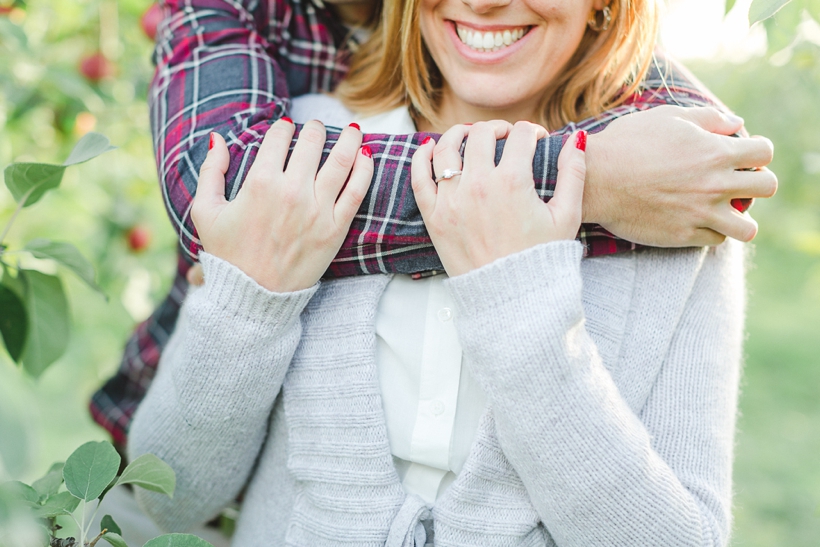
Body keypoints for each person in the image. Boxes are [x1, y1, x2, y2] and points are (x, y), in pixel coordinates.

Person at [127, 0, 774, 543]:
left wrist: (520, 303)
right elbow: (167, 495)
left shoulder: (674, 199)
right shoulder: (301, 151)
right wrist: (250, 306)